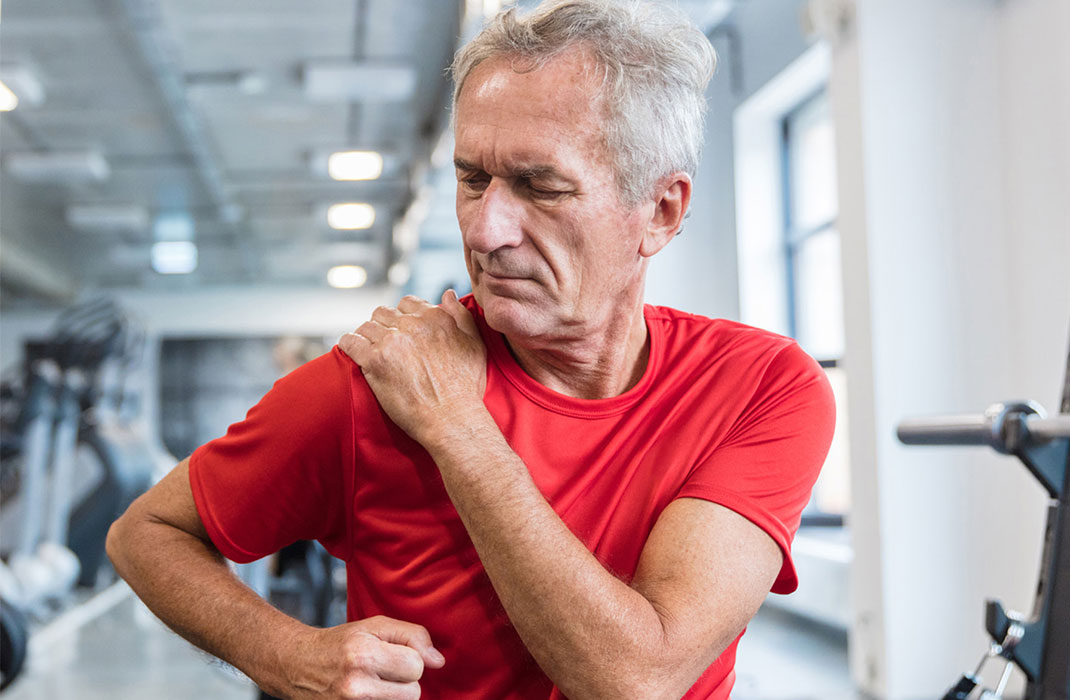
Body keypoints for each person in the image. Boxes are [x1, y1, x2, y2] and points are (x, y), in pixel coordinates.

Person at [106, 1, 836, 698]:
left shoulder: (761, 386)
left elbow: (633, 680)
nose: (486, 232)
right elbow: (147, 533)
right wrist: (286, 655)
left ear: (661, 211)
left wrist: (457, 426)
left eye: (538, 186)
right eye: (471, 179)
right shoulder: (371, 385)